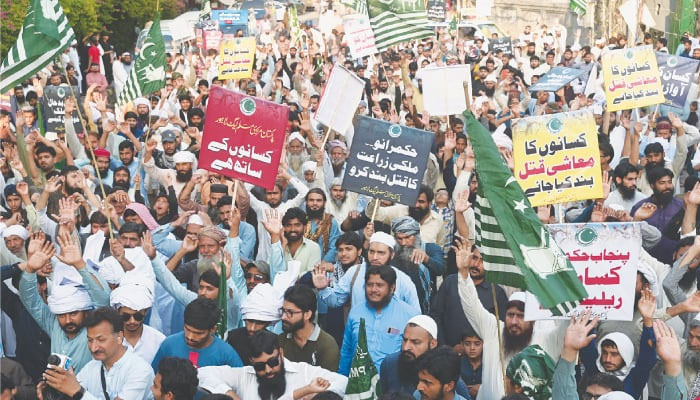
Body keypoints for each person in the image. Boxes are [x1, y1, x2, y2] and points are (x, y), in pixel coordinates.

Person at [40, 307, 154, 399]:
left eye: (101, 340)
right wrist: (56, 387)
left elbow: (76, 391)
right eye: (90, 340)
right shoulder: (91, 368)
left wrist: (77, 391)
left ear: (119, 336)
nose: (94, 348)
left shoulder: (140, 370)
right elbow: (71, 391)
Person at [198, 330, 348, 399]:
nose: (268, 370)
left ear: (281, 353)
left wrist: (315, 395)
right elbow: (200, 374)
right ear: (251, 361)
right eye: (260, 366)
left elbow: (344, 382)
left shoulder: (304, 372)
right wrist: (229, 394)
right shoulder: (243, 375)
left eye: (273, 362)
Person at [339, 265, 419, 375]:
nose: (373, 290)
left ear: (392, 288)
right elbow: (347, 350)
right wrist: (342, 378)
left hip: (392, 384)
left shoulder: (409, 315)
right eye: (369, 285)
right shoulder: (356, 312)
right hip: (358, 384)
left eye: (380, 285)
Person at [151, 298, 244, 369]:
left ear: (213, 329)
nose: (190, 337)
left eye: (198, 333)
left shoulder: (227, 355)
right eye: (187, 329)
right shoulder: (169, 345)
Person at [278, 284, 340, 371]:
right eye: (283, 311)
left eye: (290, 312)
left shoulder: (327, 345)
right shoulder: (280, 341)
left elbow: (328, 382)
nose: (283, 317)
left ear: (307, 314)